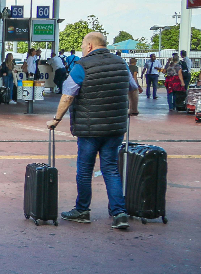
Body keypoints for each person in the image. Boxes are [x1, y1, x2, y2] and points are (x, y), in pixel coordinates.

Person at [49, 32, 139, 230]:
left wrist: (56, 119)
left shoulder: (82, 66)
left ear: (89, 46)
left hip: (89, 129)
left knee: (84, 170)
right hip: (115, 127)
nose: (82, 48)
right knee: (111, 169)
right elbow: (133, 88)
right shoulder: (121, 64)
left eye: (82, 44)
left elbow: (68, 96)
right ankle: (119, 213)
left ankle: (82, 210)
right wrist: (133, 110)